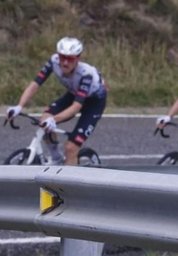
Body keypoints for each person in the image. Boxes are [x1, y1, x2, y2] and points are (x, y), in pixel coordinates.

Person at [6, 37, 107, 165]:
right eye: (62, 57)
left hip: (94, 103)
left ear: (78, 58)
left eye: (70, 59)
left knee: (71, 148)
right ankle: (56, 158)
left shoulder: (86, 74)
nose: (65, 62)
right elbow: (35, 84)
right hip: (74, 94)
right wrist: (19, 106)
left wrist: (54, 119)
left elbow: (76, 107)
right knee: (44, 120)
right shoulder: (53, 61)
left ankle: (69, 177)